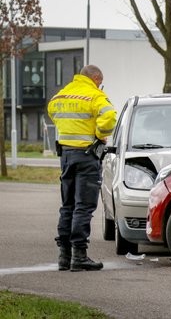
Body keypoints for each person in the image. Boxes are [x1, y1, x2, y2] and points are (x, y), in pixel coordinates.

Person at [48, 65, 117, 271]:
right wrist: (98, 132)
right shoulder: (95, 96)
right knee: (84, 206)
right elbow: (110, 117)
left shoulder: (62, 94)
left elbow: (52, 109)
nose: (100, 86)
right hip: (87, 157)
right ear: (96, 78)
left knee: (67, 205)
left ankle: (64, 256)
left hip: (66, 156)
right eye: (100, 82)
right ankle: (79, 256)